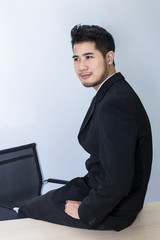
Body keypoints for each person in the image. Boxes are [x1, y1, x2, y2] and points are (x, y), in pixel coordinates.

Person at [18, 24, 152, 231]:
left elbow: (117, 181)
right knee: (41, 203)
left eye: (89, 57)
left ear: (109, 58)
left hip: (114, 209)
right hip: (97, 188)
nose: (81, 67)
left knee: (26, 211)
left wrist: (85, 211)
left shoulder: (114, 103)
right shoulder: (113, 91)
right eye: (76, 59)